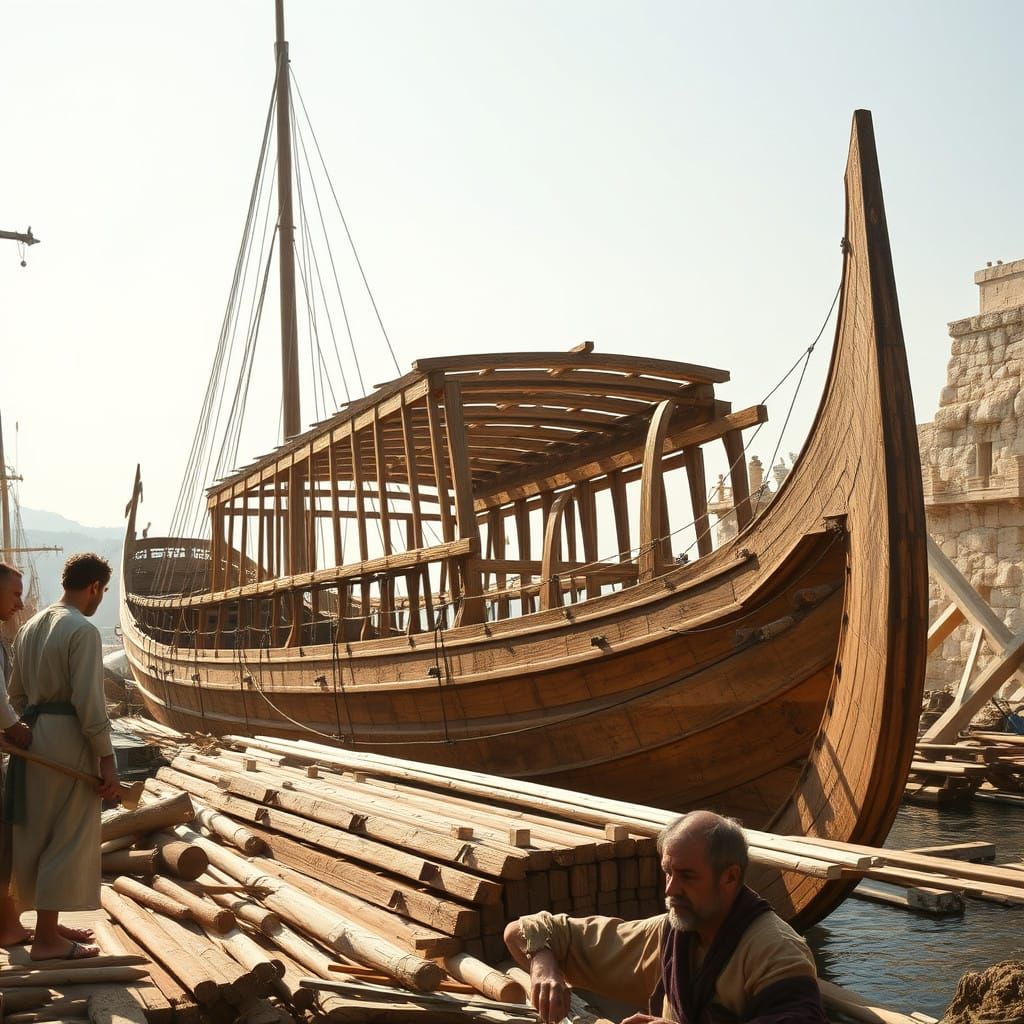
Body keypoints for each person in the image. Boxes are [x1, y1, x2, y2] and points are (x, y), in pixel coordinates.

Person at [504, 810, 827, 1024]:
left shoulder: (776, 951)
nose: (671, 889)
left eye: (687, 876)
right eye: (667, 873)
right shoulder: (669, 934)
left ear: (729, 877)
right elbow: (522, 931)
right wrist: (544, 965)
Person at [6, 553, 121, 960]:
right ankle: (47, 941)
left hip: (33, 737)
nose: (100, 599)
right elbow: (91, 704)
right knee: (67, 837)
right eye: (103, 592)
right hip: (69, 739)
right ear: (94, 587)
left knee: (37, 833)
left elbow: (15, 693)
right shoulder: (82, 630)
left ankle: (47, 926)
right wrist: (107, 761)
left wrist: (28, 727)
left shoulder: (30, 627)